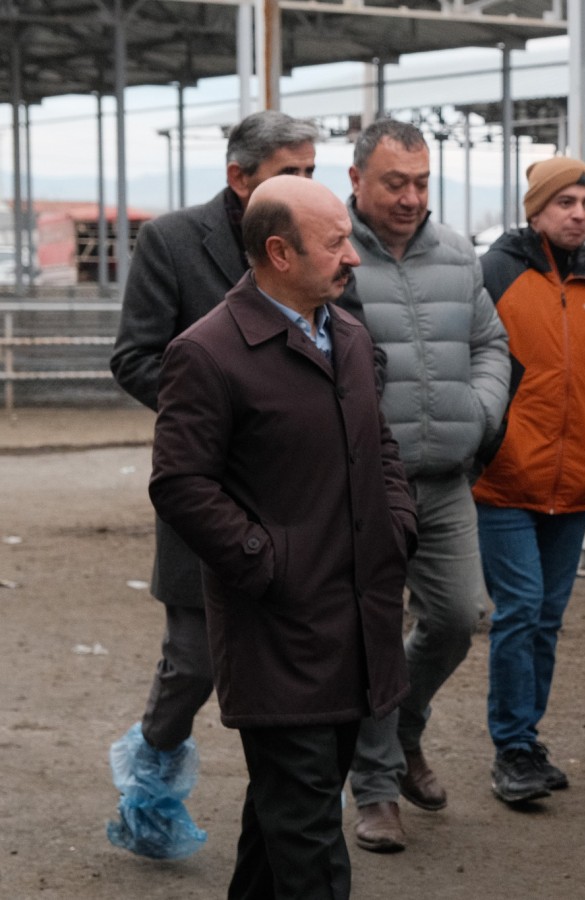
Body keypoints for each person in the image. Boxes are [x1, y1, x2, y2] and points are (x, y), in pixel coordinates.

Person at [148, 175, 417, 899]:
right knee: (310, 844)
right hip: (278, 633)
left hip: (353, 624)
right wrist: (268, 562)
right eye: (336, 243)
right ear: (279, 253)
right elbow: (181, 483)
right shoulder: (208, 352)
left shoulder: (347, 337)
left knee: (285, 821)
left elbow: (380, 446)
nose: (353, 257)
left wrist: (397, 525)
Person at [106, 110, 336, 858]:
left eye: (311, 170)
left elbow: (347, 337)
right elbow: (136, 355)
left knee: (304, 657)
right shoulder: (173, 241)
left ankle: (292, 813)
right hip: (210, 481)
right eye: (290, 172)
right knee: (196, 660)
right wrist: (221, 413)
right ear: (239, 177)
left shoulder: (320, 239)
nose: (306, 183)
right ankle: (151, 776)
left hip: (299, 489)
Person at [343, 119, 510, 852]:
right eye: (394, 183)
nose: (411, 198)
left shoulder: (456, 253)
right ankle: (376, 787)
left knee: (456, 616)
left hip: (444, 478)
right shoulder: (332, 251)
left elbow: (491, 342)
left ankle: (405, 729)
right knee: (374, 636)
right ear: (357, 181)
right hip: (363, 486)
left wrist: (481, 410)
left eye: (421, 182)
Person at [474, 156, 585, 803]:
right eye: (565, 202)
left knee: (546, 617)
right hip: (505, 477)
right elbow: (465, 357)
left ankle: (526, 738)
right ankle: (513, 748)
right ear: (536, 209)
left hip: (576, 481)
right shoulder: (494, 274)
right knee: (521, 608)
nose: (578, 214)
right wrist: (486, 436)